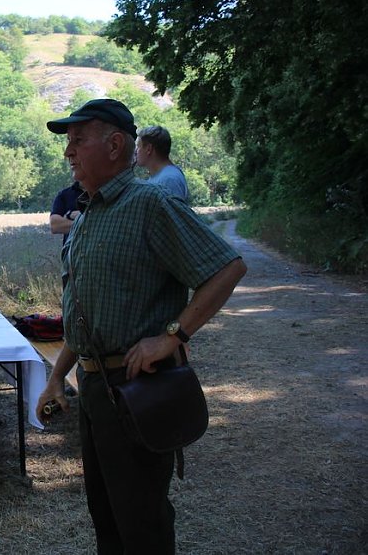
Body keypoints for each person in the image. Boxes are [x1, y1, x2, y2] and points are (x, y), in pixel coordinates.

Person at [36, 99, 246, 554]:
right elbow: (82, 311)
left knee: (141, 523)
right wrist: (57, 378)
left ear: (115, 145)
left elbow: (226, 269)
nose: (68, 153)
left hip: (137, 388)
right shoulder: (88, 214)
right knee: (106, 517)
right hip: (93, 389)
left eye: (77, 142)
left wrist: (172, 335)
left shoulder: (150, 203)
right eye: (67, 144)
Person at [135, 125, 189, 201]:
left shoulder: (169, 180)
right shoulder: (161, 177)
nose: (136, 151)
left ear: (148, 149)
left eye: (138, 146)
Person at [49, 177, 87, 245]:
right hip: (71, 254)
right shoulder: (64, 194)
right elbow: (55, 226)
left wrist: (70, 216)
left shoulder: (106, 192)